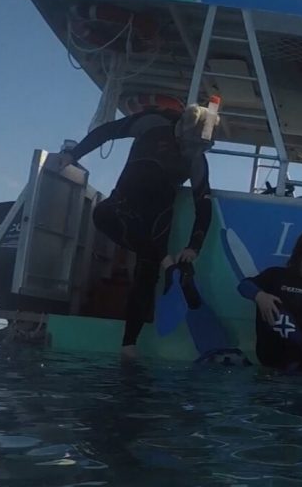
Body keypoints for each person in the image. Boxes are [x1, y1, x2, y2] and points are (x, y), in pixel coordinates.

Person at [48, 102, 217, 360]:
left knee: (146, 278)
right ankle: (167, 263)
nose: (189, 151)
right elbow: (108, 131)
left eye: (197, 148)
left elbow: (204, 205)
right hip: (122, 205)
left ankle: (129, 345)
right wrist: (74, 155)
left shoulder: (197, 160)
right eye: (188, 143)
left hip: (157, 219)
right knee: (101, 214)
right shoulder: (154, 123)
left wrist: (194, 246)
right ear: (180, 127)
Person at [236, 230, 302, 374]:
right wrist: (260, 296)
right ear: (297, 258)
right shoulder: (275, 276)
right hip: (272, 359)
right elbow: (243, 286)